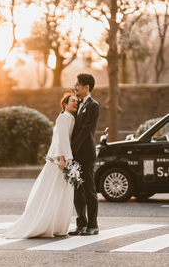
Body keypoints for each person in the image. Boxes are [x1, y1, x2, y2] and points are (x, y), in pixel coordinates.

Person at [0, 93, 78, 239]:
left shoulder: (70, 117)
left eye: (76, 101)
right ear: (65, 104)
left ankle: (56, 224)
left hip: (65, 158)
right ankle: (48, 222)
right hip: (61, 160)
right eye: (73, 101)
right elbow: (60, 140)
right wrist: (62, 159)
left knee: (59, 191)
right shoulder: (64, 117)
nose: (76, 103)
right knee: (54, 190)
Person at [68, 73, 100, 236]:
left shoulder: (93, 106)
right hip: (75, 155)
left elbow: (86, 130)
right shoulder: (77, 103)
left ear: (86, 87)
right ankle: (81, 223)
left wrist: (71, 149)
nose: (75, 87)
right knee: (77, 191)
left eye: (77, 84)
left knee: (89, 190)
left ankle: (93, 225)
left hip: (86, 154)